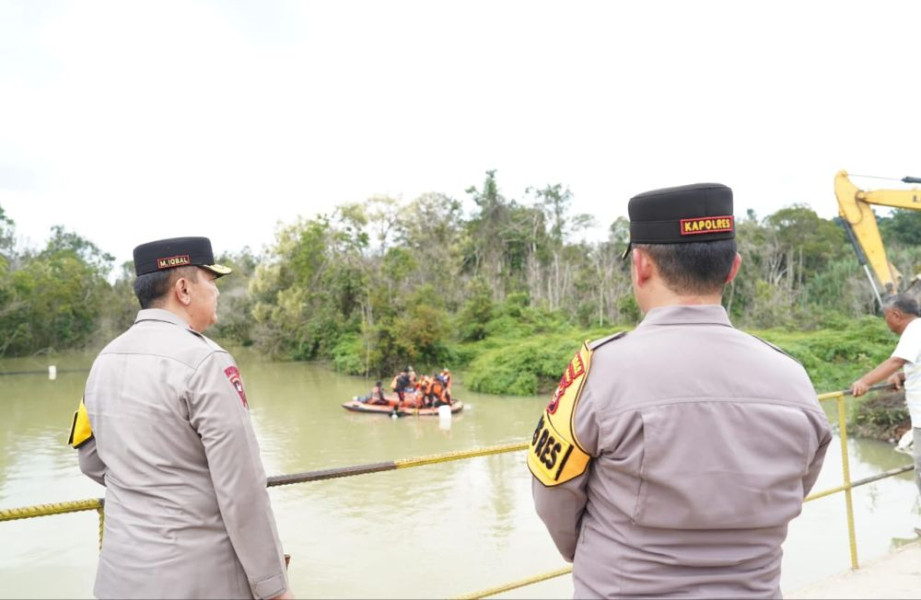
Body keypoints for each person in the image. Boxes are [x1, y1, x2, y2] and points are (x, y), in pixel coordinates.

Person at [528, 183, 832, 598]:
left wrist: (595, 549)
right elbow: (797, 487)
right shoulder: (792, 377)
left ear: (640, 265)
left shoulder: (600, 371)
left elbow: (554, 497)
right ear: (733, 268)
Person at [67, 237, 292, 600]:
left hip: (119, 579)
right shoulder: (206, 361)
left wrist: (152, 487)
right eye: (211, 281)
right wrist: (274, 588)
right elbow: (242, 489)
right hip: (201, 581)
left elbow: (90, 460)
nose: (216, 293)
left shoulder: (104, 360)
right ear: (184, 289)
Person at [850, 293, 921, 533]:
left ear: (896, 315)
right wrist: (904, 375)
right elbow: (909, 365)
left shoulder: (913, 331)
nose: (886, 322)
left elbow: (894, 361)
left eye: (886, 317)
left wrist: (865, 381)